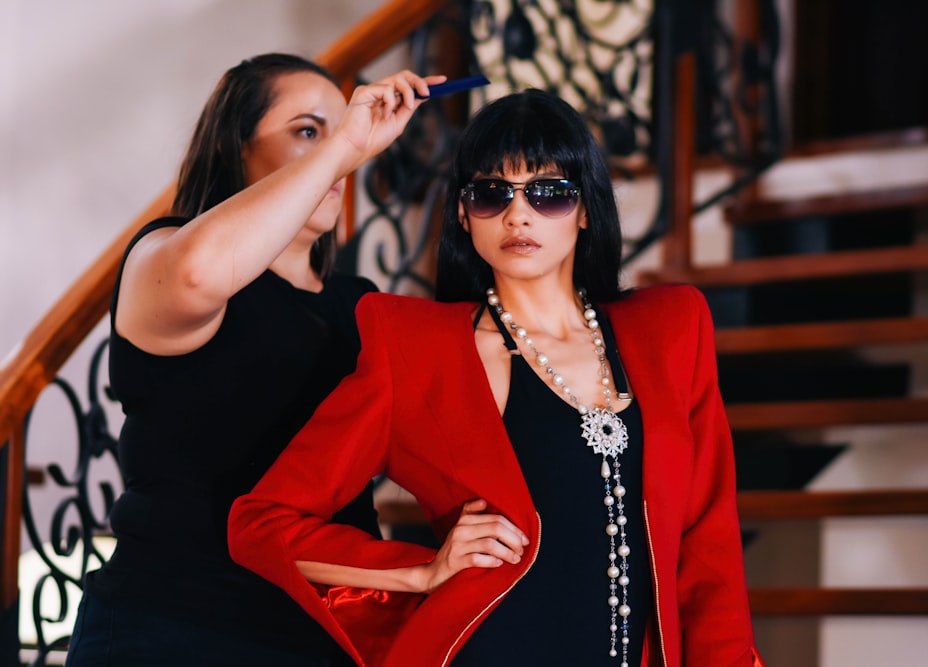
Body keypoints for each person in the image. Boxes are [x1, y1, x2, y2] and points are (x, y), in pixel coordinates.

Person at [229, 89, 765, 667]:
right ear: (464, 214)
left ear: (586, 208)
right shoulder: (415, 351)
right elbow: (261, 523)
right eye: (490, 193)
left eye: (549, 192)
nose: (518, 214)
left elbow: (708, 547)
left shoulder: (671, 330)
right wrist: (418, 570)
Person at [64, 54, 455, 667]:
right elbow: (200, 272)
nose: (341, 153)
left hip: (321, 634)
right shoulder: (162, 254)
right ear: (235, 150)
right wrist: (348, 139)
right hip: (171, 628)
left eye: (341, 129)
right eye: (308, 131)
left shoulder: (363, 306)